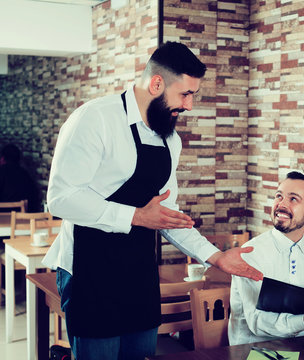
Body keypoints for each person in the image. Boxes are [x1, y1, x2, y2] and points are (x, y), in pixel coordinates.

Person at [42, 42, 261, 360]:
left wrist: (215, 257)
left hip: (140, 272)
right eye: (185, 94)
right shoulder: (94, 120)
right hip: (89, 271)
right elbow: (61, 199)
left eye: (193, 96)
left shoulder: (170, 139)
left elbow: (167, 214)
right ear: (156, 84)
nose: (189, 106)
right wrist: (135, 216)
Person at [228, 171, 304, 345]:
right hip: (252, 351)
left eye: (293, 199)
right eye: (279, 196)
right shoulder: (250, 253)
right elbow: (257, 322)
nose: (281, 204)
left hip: (301, 349)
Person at [0, 143, 40, 212]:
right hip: (24, 218)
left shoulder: (1, 172)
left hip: (3, 218)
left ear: (2, 159)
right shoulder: (26, 175)